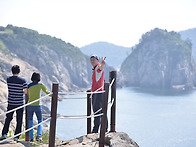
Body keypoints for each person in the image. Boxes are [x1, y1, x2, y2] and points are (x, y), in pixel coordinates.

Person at [0, 65, 27, 142]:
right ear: (19, 71)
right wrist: (21, 91)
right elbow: (25, 91)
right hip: (19, 103)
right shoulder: (23, 80)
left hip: (11, 102)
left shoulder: (9, 79)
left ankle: (4, 134)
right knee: (19, 120)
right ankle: (16, 136)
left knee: (8, 118)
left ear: (12, 71)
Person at [27, 72, 50, 142]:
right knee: (40, 121)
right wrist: (54, 95)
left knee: (30, 122)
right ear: (39, 78)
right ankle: (38, 136)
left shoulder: (29, 86)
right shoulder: (41, 85)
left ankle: (31, 138)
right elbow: (47, 92)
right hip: (38, 106)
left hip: (30, 105)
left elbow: (28, 94)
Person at [87, 55, 108, 133]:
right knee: (102, 111)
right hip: (99, 92)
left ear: (97, 60)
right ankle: (105, 129)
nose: (92, 61)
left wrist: (102, 64)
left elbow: (100, 69)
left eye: (94, 60)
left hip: (98, 93)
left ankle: (95, 130)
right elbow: (98, 81)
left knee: (96, 112)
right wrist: (92, 89)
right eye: (91, 60)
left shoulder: (97, 67)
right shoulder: (95, 68)